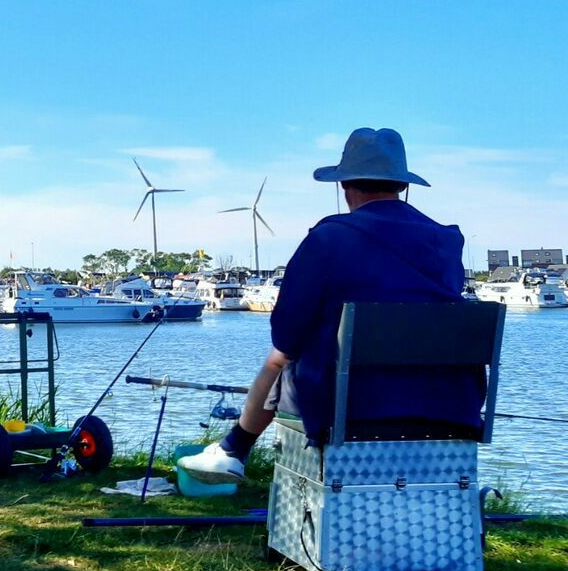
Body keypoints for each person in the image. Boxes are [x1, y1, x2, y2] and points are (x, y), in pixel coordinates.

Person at [178, 127, 474, 484]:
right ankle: (231, 450)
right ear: (403, 186)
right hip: (449, 405)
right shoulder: (446, 241)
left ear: (344, 186)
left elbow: (286, 333)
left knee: (282, 359)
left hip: (348, 406)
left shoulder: (330, 237)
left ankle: (234, 450)